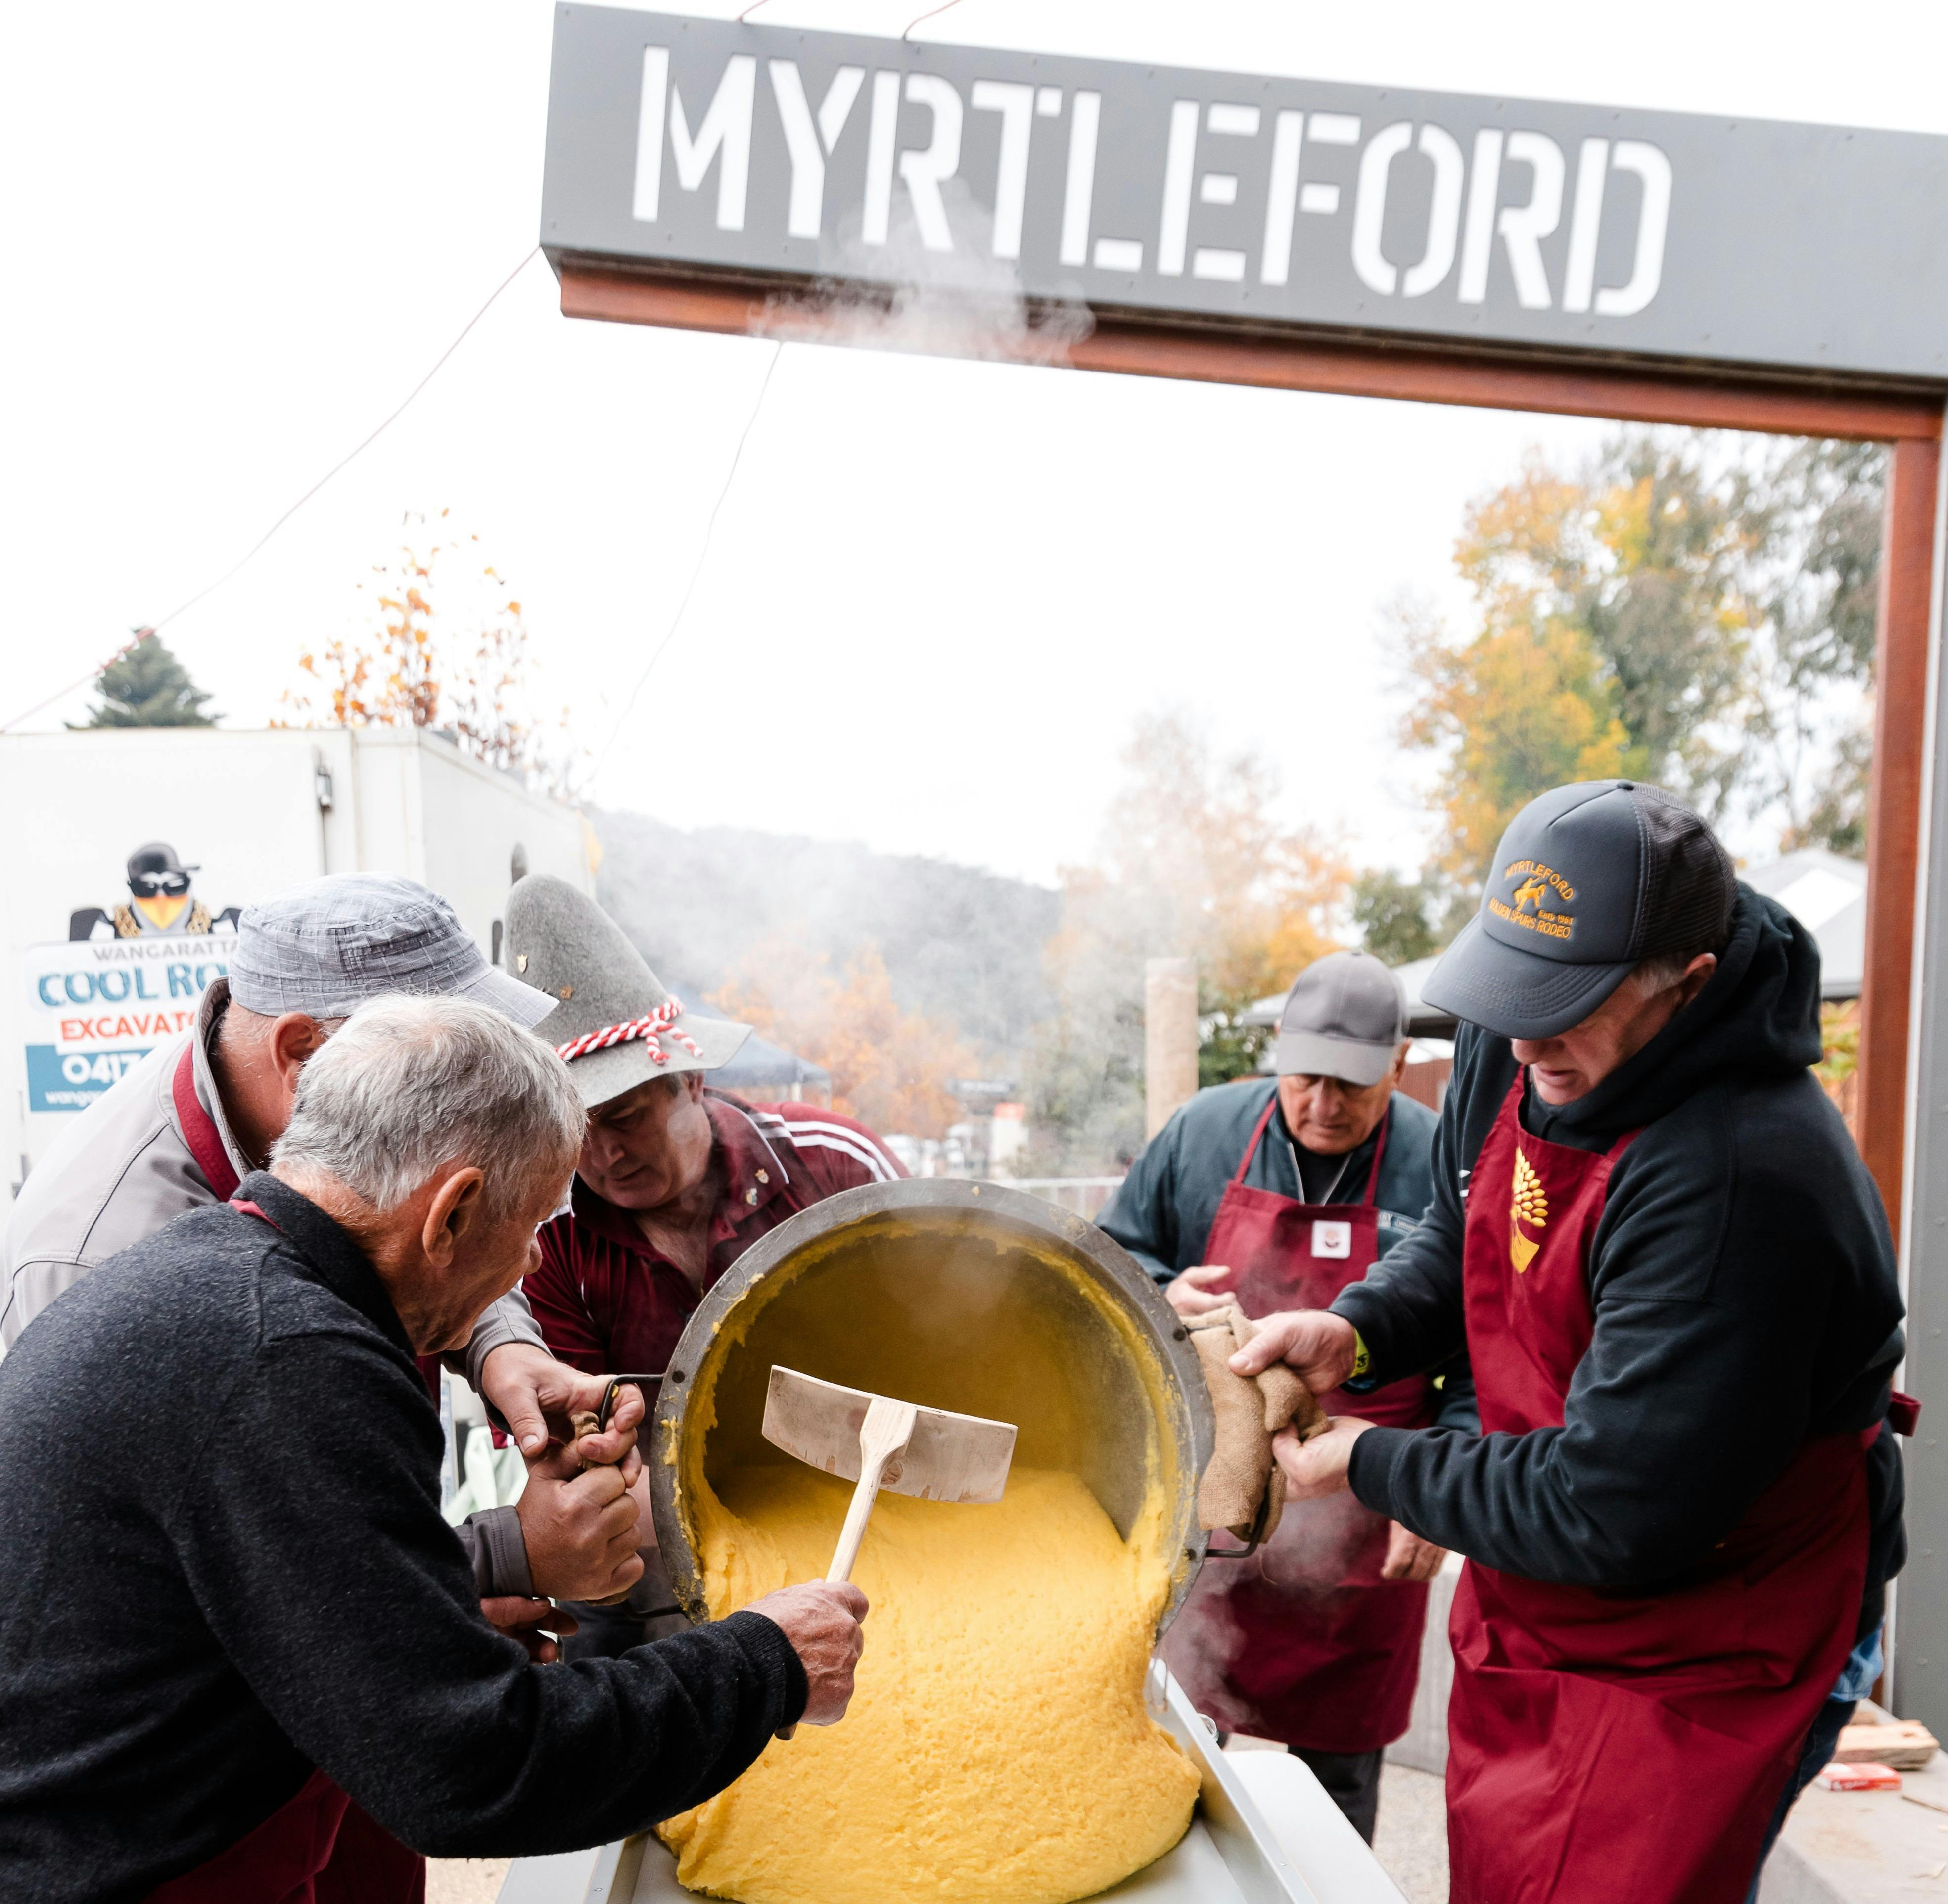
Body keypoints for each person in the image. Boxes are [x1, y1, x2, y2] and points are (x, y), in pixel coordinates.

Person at [0, 995, 867, 1903]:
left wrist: (433, 1604)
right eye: (533, 1224)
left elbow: (232, 1608)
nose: (533, 1263)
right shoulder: (291, 1358)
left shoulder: (211, 1272)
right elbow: (476, 1771)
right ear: (451, 1212)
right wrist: (769, 1659)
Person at [1230, 780, 1908, 1904]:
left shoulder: (1743, 1175)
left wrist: (1367, 1458)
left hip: (1713, 1627)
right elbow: (1463, 1227)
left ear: (1685, 987)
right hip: (1548, 1583)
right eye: (1510, 991)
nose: (1526, 1031)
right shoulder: (1519, 1042)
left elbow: (1613, 1504)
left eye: (1568, 1003)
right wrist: (1356, 1330)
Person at [2, 874, 651, 1900]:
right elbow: (199, 1597)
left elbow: (433, 1209)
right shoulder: (101, 1253)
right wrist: (502, 1555)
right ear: (310, 1054)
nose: (527, 1258)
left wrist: (501, 1346)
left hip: (329, 1697)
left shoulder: (362, 1166)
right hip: (178, 1793)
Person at [1099, 949, 1463, 1842]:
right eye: (1304, 1078)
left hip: (1366, 1520)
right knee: (1182, 1771)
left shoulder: (1443, 1157)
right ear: (1275, 1054)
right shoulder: (1204, 1133)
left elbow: (1488, 1341)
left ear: (1395, 1066)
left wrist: (1440, 1476)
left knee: (1335, 1804)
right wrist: (1159, 1290)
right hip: (1211, 1518)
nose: (1323, 1106)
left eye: (1351, 1085)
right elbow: (1108, 1258)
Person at [504, 875, 908, 1655]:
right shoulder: (550, 1241)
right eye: (576, 1130)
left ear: (691, 1077)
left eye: (625, 1117)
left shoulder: (836, 1169)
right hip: (656, 1574)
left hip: (869, 1524)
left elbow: (945, 1328)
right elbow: (586, 1449)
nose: (604, 1154)